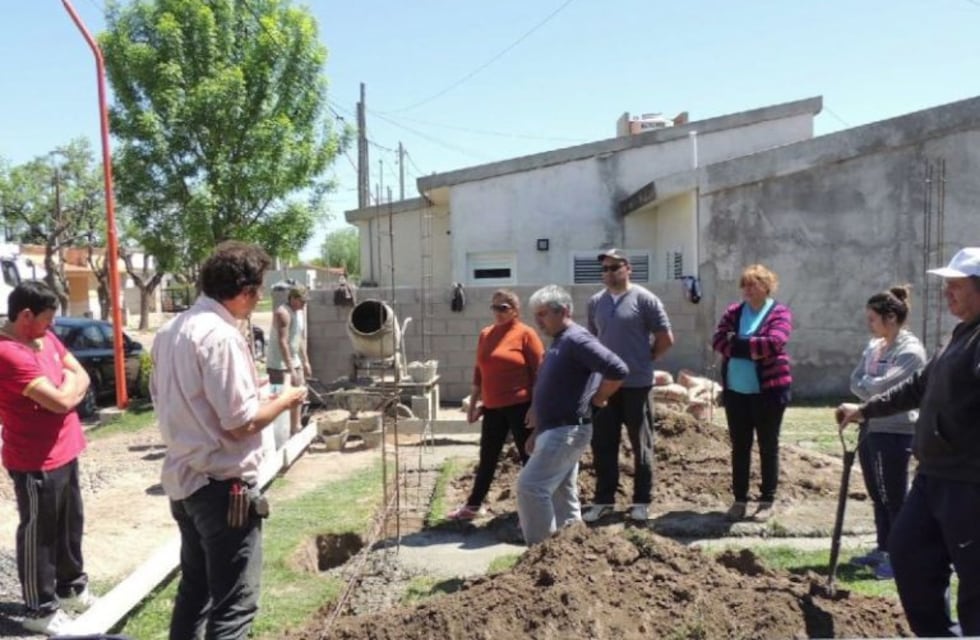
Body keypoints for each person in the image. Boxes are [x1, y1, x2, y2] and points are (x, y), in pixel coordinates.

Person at [151, 241, 306, 640]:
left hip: (185, 481)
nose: (258, 300)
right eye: (257, 291)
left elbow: (183, 400)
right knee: (234, 606)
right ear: (245, 291)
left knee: (196, 590)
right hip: (222, 489)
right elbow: (241, 423)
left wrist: (257, 394)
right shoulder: (221, 336)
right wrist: (286, 399)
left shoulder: (170, 331)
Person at [837, 247, 980, 637]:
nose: (947, 293)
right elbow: (919, 386)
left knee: (975, 576)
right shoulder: (961, 334)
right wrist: (866, 410)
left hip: (968, 481)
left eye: (956, 286)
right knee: (908, 552)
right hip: (933, 474)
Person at [0, 281, 95, 636]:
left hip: (67, 449)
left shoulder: (46, 338)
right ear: (26, 315)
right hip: (35, 459)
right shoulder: (8, 353)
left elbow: (81, 375)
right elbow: (61, 401)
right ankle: (39, 609)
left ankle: (71, 589)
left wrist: (67, 387)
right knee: (40, 534)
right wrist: (68, 389)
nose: (52, 325)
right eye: (47, 318)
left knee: (70, 526)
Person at [517, 285, 628, 545]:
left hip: (567, 430)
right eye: (536, 315)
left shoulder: (577, 339)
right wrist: (537, 430)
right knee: (561, 494)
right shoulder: (560, 341)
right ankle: (571, 553)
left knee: (531, 487)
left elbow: (617, 369)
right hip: (554, 430)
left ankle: (540, 554)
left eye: (543, 314)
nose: (538, 321)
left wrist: (599, 398)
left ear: (564, 311)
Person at [583, 248, 674, 523]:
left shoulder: (645, 299)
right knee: (603, 445)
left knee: (641, 444)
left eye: (614, 268)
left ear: (628, 269)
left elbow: (665, 338)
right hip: (605, 386)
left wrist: (646, 358)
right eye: (605, 269)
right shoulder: (595, 302)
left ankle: (641, 501)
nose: (609, 273)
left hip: (637, 384)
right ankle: (604, 501)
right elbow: (593, 341)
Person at [846, 285, 926, 580]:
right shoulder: (874, 347)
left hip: (895, 431)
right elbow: (855, 380)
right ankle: (883, 547)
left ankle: (900, 556)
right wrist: (871, 383)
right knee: (877, 494)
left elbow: (886, 387)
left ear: (890, 317)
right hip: (870, 426)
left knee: (894, 496)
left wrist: (870, 383)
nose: (869, 324)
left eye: (873, 319)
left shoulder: (910, 351)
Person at [448, 290, 544, 521]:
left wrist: (536, 407)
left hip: (521, 406)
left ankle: (534, 510)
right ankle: (473, 506)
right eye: (494, 307)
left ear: (515, 310)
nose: (498, 312)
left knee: (529, 457)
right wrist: (473, 404)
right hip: (492, 407)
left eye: (503, 308)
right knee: (487, 457)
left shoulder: (526, 334)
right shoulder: (486, 334)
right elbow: (479, 371)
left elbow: (541, 373)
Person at [711, 264, 793, 522]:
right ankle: (739, 500)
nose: (747, 289)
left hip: (769, 393)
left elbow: (774, 342)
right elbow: (718, 341)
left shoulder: (779, 312)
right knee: (740, 447)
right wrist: (751, 348)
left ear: (766, 286)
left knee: (768, 446)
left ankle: (767, 500)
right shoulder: (734, 312)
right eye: (744, 285)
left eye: (752, 284)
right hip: (736, 392)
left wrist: (736, 343)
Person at [266, 285, 312, 434]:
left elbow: (300, 338)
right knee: (279, 399)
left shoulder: (299, 313)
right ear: (293, 298)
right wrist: (290, 369)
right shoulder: (283, 313)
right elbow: (283, 342)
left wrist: (305, 362)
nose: (304, 304)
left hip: (294, 360)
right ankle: (280, 433)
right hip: (278, 366)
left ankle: (295, 428)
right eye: (302, 301)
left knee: (298, 395)